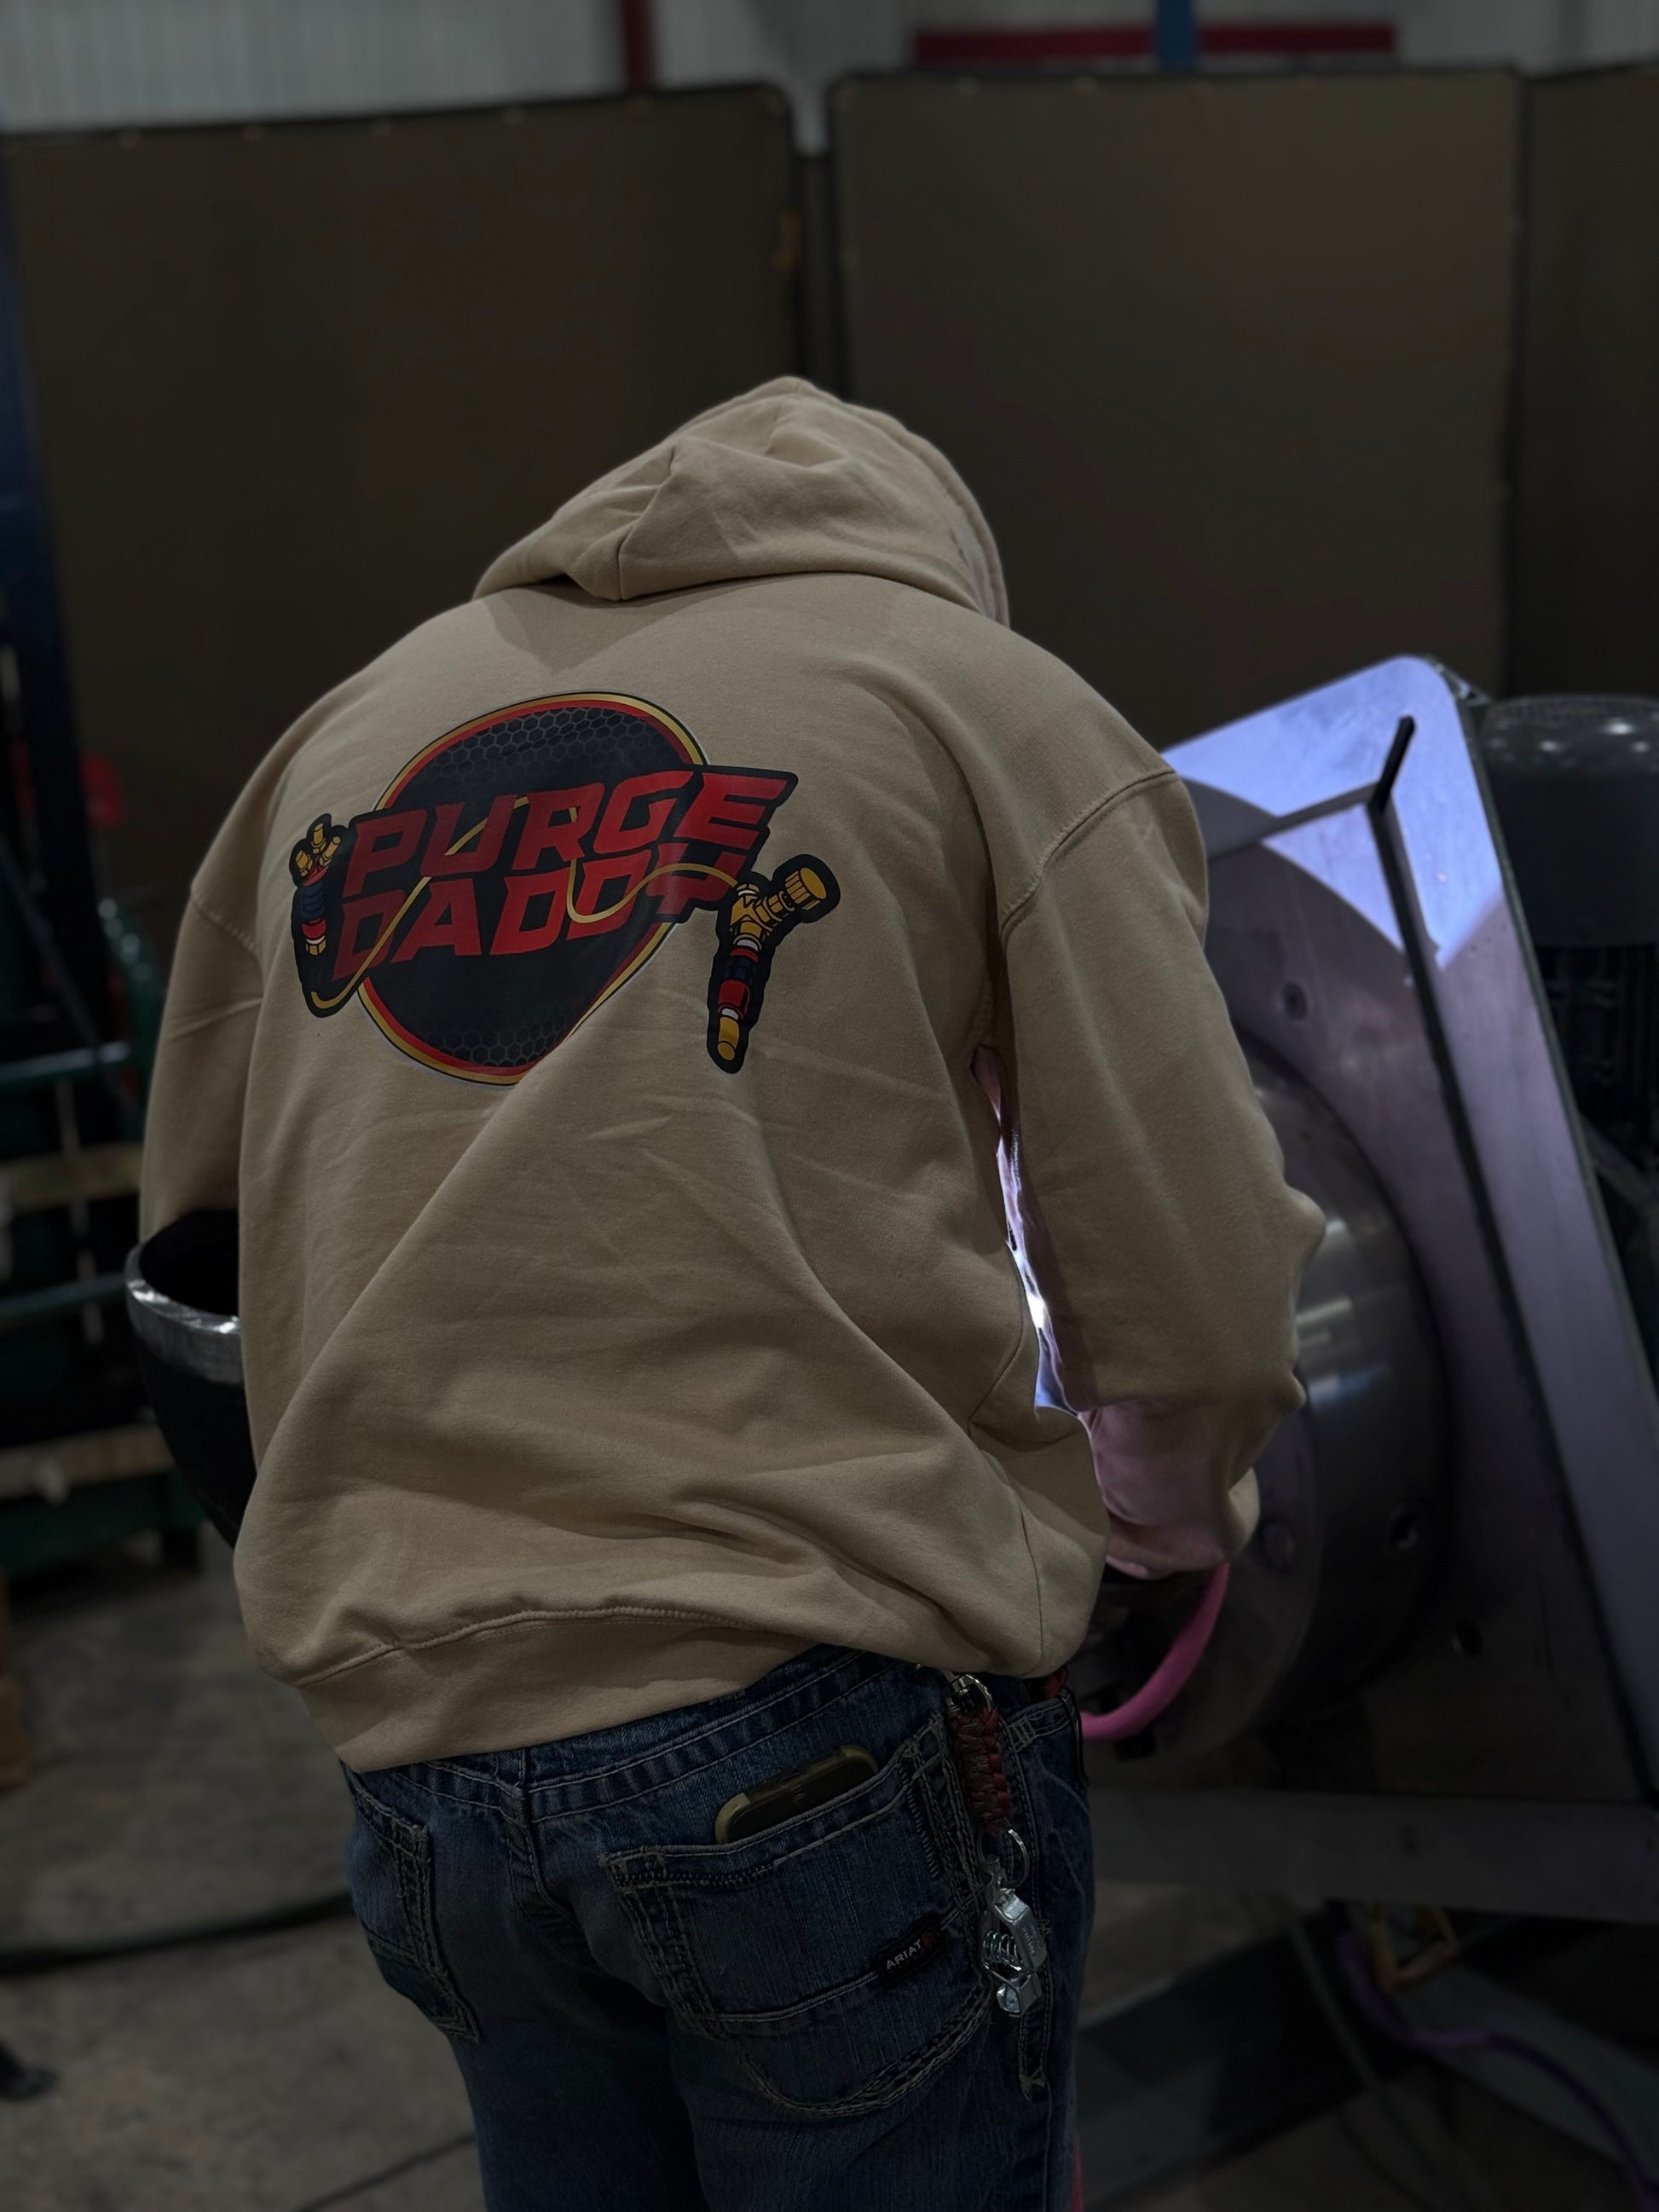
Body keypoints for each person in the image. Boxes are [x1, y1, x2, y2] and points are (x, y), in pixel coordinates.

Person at [140, 378, 1323, 2212]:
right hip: (816, 1711)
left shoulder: (343, 733)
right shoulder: (983, 703)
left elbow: (192, 1281)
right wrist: (1161, 1512)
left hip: (423, 1753)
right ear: (936, 556)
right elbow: (1192, 1272)